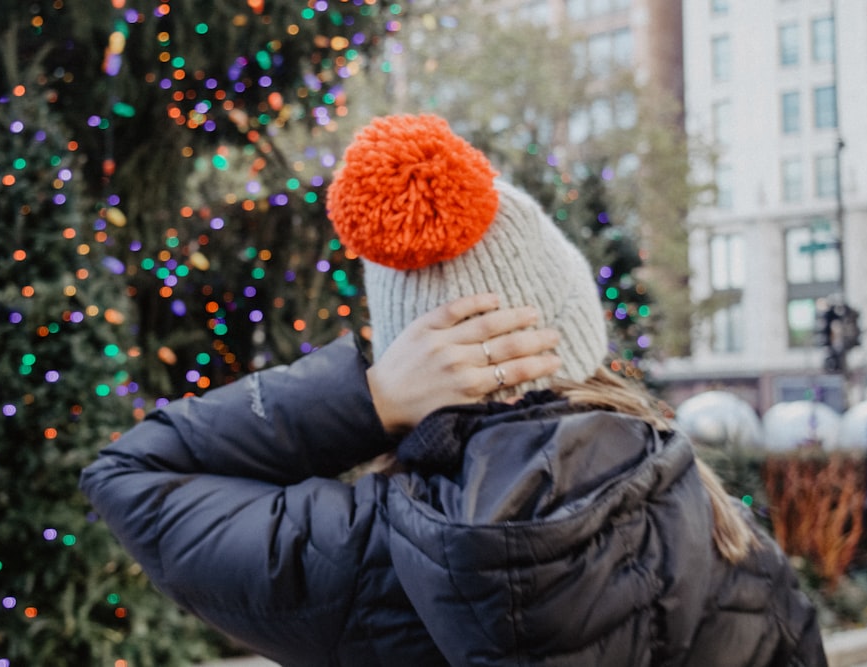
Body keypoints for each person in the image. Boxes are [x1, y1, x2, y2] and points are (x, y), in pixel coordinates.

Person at [81, 114, 826, 666]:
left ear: (412, 354)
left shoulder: (358, 552)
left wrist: (367, 398)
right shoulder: (729, 539)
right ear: (569, 323)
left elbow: (131, 474)